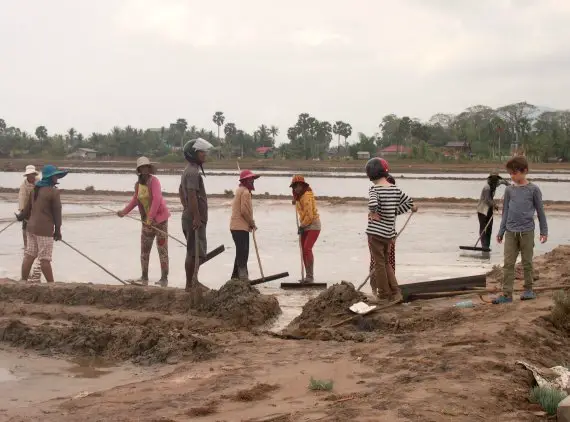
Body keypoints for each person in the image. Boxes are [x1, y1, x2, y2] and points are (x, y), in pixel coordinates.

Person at [493, 156, 548, 305]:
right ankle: (506, 294)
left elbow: (540, 211)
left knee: (527, 262)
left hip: (527, 231)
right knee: (508, 263)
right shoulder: (509, 190)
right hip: (511, 232)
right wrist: (501, 231)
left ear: (525, 171)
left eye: (515, 173)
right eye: (510, 173)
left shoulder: (534, 189)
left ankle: (528, 290)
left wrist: (544, 231)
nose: (512, 176)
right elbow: (505, 212)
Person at [365, 158, 417, 303]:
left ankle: (383, 294)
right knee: (386, 262)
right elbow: (409, 203)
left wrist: (373, 212)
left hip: (375, 233)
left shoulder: (374, 189)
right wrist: (395, 211)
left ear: (370, 175)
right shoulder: (395, 189)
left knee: (379, 264)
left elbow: (373, 203)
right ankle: (396, 291)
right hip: (389, 234)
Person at [118, 157, 170, 287]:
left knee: (162, 250)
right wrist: (124, 212)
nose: (145, 169)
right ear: (139, 170)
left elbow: (157, 199)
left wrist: (151, 218)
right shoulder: (138, 185)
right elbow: (135, 200)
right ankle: (144, 276)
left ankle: (164, 278)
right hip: (146, 222)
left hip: (159, 221)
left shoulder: (154, 181)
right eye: (142, 167)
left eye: (147, 167)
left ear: (149, 168)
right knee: (144, 250)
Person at [17, 164, 67, 283]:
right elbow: (57, 214)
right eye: (55, 176)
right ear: (51, 177)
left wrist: (20, 217)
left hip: (30, 228)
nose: (57, 178)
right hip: (44, 230)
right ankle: (52, 285)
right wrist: (58, 231)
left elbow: (26, 209)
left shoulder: (35, 189)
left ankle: (23, 281)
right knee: (45, 259)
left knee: (29, 255)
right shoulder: (53, 192)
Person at [180, 138, 214, 292]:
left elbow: (181, 191)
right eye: (202, 152)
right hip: (194, 218)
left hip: (190, 215)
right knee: (194, 252)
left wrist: (187, 208)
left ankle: (192, 282)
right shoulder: (193, 172)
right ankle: (191, 283)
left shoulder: (188, 170)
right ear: (194, 154)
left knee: (194, 251)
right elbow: (192, 195)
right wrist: (196, 216)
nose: (204, 154)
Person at [368, 174, 397, 296]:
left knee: (386, 262)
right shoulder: (377, 203)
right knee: (378, 263)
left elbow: (392, 221)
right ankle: (377, 289)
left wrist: (393, 235)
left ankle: (388, 289)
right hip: (380, 237)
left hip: (388, 236)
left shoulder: (390, 201)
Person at [229, 170, 260, 281]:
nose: (252, 181)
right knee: (243, 251)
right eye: (250, 180)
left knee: (240, 251)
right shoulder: (245, 192)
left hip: (235, 227)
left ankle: (235, 276)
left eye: (252, 179)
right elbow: (244, 211)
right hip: (240, 227)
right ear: (245, 181)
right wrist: (252, 223)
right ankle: (243, 276)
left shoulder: (240, 190)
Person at [290, 175, 321, 283]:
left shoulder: (306, 195)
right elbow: (302, 210)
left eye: (298, 186)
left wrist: (302, 226)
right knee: (303, 250)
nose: (296, 189)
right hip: (305, 225)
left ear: (302, 185)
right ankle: (307, 276)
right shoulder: (299, 196)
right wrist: (295, 201)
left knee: (307, 248)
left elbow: (310, 215)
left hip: (313, 225)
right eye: (294, 186)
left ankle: (310, 277)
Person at [476, 171, 509, 249]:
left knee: (490, 227)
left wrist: (510, 186)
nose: (495, 181)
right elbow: (487, 200)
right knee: (483, 228)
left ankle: (487, 245)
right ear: (490, 179)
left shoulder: (496, 183)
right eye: (493, 179)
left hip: (489, 209)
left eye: (496, 179)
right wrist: (494, 205)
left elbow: (504, 182)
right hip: (482, 209)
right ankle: (484, 246)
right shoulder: (486, 187)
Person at [18, 165, 39, 247]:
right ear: (27, 176)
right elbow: (21, 197)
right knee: (25, 228)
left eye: (32, 174)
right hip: (27, 209)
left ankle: (36, 245)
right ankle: (26, 246)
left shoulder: (39, 182)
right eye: (29, 175)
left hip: (37, 208)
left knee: (37, 228)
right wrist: (22, 211)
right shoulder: (23, 186)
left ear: (34, 174)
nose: (31, 176)